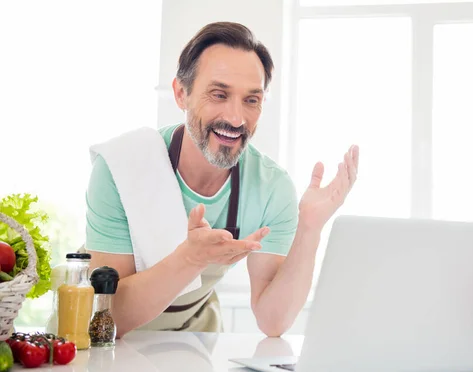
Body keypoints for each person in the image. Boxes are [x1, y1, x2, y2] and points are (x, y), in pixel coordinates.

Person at [84, 21, 359, 337]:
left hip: (193, 336)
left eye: (251, 100)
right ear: (181, 94)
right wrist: (191, 257)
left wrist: (310, 228)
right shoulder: (121, 168)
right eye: (219, 94)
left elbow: (273, 321)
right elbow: (106, 317)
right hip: (107, 344)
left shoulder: (270, 188)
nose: (236, 118)